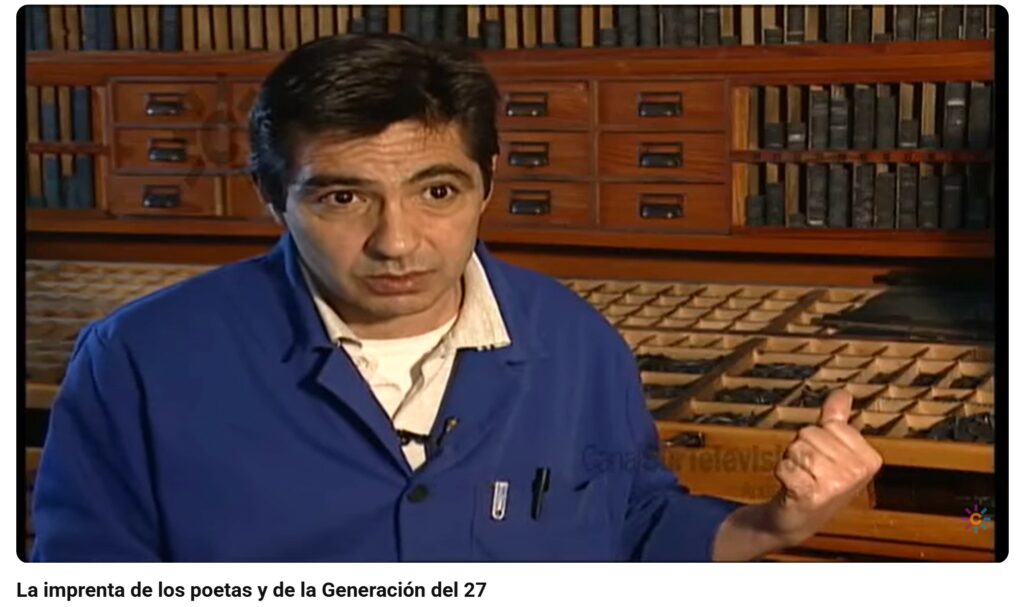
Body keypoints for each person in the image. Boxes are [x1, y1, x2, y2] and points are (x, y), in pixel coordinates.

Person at [31, 34, 882, 562]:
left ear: (487, 183)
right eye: (342, 197)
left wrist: (777, 522)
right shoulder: (142, 358)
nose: (398, 242)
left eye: (437, 192)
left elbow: (636, 527)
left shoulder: (578, 342)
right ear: (271, 194)